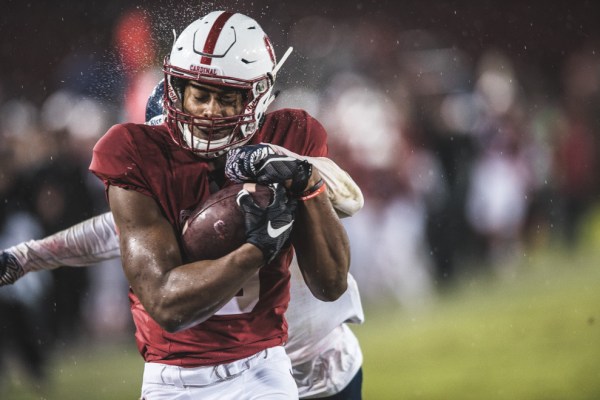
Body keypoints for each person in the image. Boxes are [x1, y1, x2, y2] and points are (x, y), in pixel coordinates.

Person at [5, 10, 352, 400]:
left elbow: (337, 253)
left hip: (308, 347)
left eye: (224, 98)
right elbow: (116, 235)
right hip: (183, 370)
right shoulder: (141, 154)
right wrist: (28, 255)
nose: (205, 115)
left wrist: (306, 177)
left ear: (256, 99)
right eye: (196, 96)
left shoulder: (289, 140)